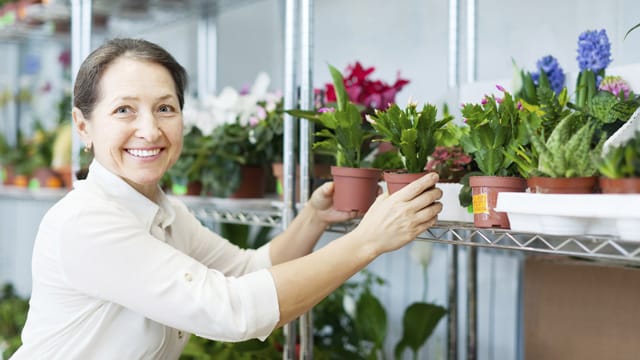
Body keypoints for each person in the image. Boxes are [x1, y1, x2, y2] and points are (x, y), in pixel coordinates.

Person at [11, 38, 442, 359]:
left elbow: (248, 270)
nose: (150, 130)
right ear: (83, 126)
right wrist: (368, 240)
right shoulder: (87, 222)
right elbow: (232, 311)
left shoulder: (162, 211)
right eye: (124, 110)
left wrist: (313, 219)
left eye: (165, 108)